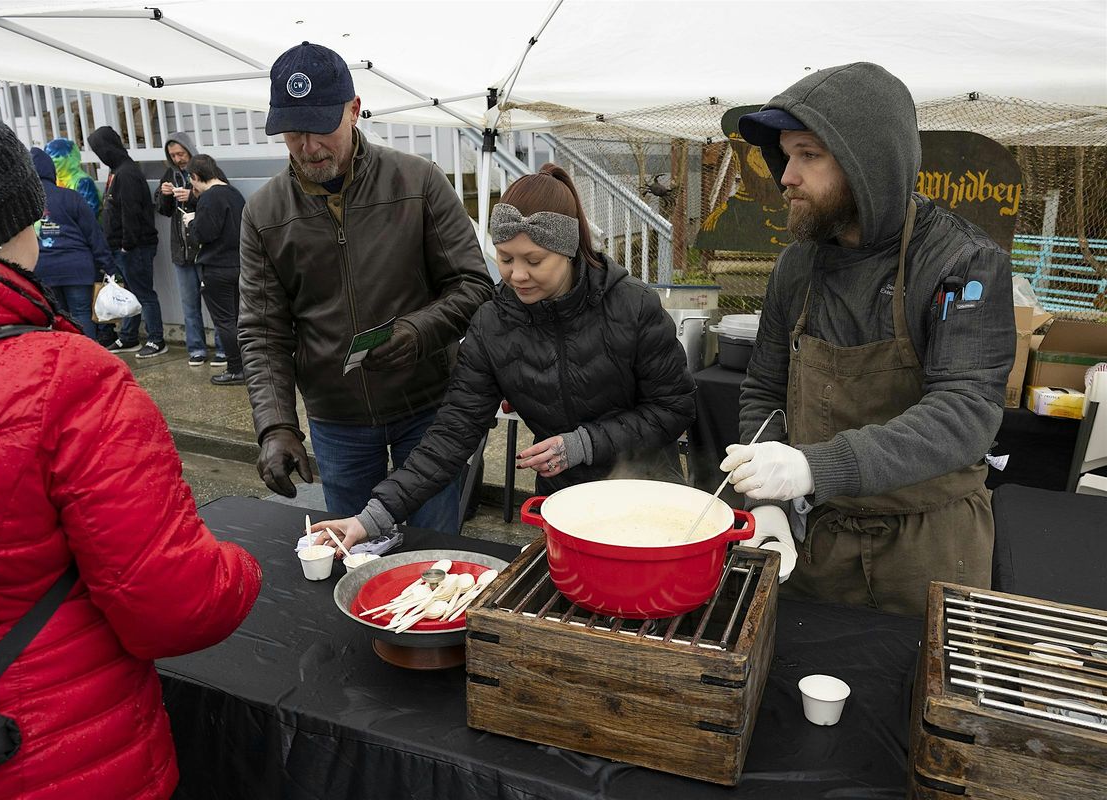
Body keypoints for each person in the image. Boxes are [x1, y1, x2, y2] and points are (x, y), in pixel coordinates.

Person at [0, 84, 262, 798]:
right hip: (55, 752)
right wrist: (246, 568)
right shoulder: (59, 379)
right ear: (3, 219)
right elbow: (175, 603)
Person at [721, 62, 1015, 616]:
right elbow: (764, 392)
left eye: (809, 155)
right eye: (786, 155)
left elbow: (965, 412)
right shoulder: (796, 267)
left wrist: (812, 468)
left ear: (869, 165)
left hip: (928, 549)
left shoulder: (961, 264)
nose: (786, 176)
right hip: (816, 544)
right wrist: (764, 501)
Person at [311, 164, 696, 550]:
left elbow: (674, 407)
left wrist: (584, 444)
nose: (517, 275)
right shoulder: (492, 324)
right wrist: (373, 517)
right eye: (505, 257)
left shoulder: (633, 305)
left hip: (648, 494)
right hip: (562, 504)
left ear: (569, 249)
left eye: (534, 260)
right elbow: (452, 434)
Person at [239, 41, 495, 534]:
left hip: (426, 406)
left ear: (354, 111)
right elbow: (263, 330)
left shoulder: (418, 181)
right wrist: (275, 425)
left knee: (432, 547)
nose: (309, 147)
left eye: (321, 129)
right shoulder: (264, 213)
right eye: (293, 133)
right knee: (353, 553)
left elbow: (473, 285)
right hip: (338, 419)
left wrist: (416, 332)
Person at [86, 125, 167, 358]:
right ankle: (129, 337)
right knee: (129, 293)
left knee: (143, 293)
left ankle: (156, 339)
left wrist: (126, 245)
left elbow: (131, 212)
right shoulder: (117, 171)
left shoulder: (127, 173)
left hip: (134, 246)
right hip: (121, 247)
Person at [155, 132, 225, 367]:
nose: (178, 159)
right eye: (173, 155)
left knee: (216, 302)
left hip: (205, 250)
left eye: (181, 154)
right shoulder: (170, 174)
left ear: (189, 150)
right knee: (189, 304)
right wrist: (164, 195)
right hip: (182, 252)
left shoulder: (206, 168)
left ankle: (223, 348)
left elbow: (219, 200)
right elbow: (164, 211)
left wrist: (193, 197)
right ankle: (196, 349)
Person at [29, 147, 113, 337]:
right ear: (51, 170)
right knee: (82, 314)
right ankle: (91, 360)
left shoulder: (25, 202)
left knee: (59, 318)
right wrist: (108, 265)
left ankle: (72, 360)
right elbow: (93, 233)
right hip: (77, 269)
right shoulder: (70, 196)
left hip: (44, 270)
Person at [186, 154, 247, 385]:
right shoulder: (233, 193)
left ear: (195, 176)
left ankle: (235, 368)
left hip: (217, 267)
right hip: (240, 265)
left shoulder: (210, 198)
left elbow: (205, 234)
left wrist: (191, 223)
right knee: (241, 319)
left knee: (225, 321)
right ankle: (249, 366)